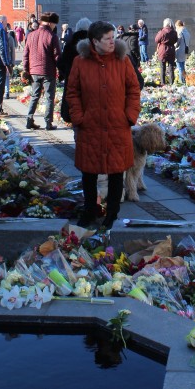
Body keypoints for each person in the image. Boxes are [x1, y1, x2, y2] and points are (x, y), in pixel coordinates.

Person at [66, 20, 141, 232]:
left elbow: (133, 90)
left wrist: (129, 116)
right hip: (90, 125)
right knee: (89, 172)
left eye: (113, 37)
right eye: (108, 39)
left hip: (118, 124)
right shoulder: (80, 62)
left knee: (117, 171)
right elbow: (72, 92)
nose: (112, 42)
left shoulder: (122, 60)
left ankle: (112, 214)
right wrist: (79, 118)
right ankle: (90, 211)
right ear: (95, 41)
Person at [21, 11, 62, 130]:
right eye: (54, 24)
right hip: (48, 71)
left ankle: (29, 120)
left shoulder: (31, 35)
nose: (55, 27)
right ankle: (48, 123)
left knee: (34, 96)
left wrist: (25, 69)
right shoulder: (52, 36)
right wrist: (60, 68)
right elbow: (57, 55)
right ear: (49, 23)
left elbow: (25, 54)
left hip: (34, 71)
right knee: (49, 97)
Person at [59, 17, 92, 126]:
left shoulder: (69, 45)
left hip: (72, 84)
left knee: (74, 113)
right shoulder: (94, 44)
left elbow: (61, 63)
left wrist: (67, 75)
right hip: (90, 86)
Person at [154, 18, 178, 85]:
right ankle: (171, 83)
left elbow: (156, 40)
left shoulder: (162, 32)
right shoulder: (174, 32)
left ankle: (163, 83)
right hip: (171, 50)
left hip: (163, 50)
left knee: (162, 68)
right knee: (171, 68)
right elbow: (176, 40)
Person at [3, 19, 17, 99]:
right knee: (6, 77)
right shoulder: (9, 37)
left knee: (6, 77)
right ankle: (6, 92)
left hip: (6, 61)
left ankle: (6, 92)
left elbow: (12, 50)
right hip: (6, 60)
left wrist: (12, 62)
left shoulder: (9, 38)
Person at [174, 20, 191, 84]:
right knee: (183, 66)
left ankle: (182, 81)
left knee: (180, 67)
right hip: (185, 51)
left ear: (178, 26)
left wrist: (173, 46)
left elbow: (177, 43)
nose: (176, 28)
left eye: (176, 27)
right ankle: (185, 79)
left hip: (179, 51)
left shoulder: (180, 32)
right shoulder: (187, 32)